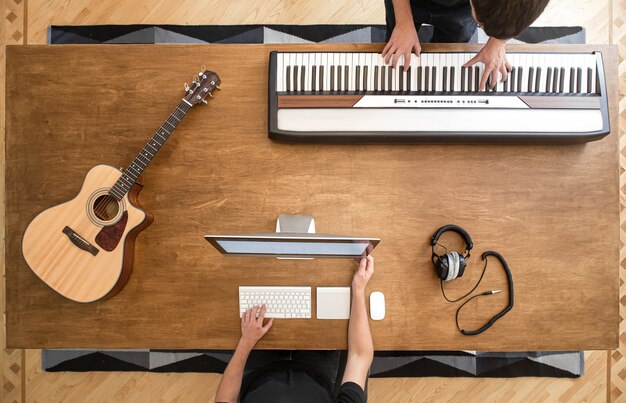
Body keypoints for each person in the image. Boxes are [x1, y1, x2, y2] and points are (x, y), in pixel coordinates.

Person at [214, 256, 375, 403]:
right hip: (316, 371)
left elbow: (224, 400)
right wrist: (358, 288)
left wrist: (246, 342)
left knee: (250, 268)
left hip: (259, 371)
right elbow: (359, 356)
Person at [382, 0, 550, 90]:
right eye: (482, 26)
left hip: (460, 11)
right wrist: (403, 21)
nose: (482, 29)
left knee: (452, 43)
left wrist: (498, 42)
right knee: (397, 41)